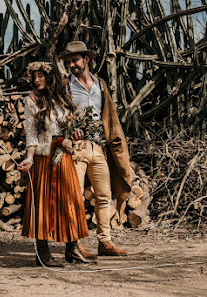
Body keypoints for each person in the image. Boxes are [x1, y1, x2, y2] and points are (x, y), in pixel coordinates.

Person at [17, 61, 96, 267]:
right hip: (44, 156)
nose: (36, 80)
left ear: (50, 76)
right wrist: (29, 157)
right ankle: (42, 253)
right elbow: (31, 133)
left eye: (40, 75)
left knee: (71, 199)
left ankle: (73, 249)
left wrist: (76, 134)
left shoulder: (62, 98)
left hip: (64, 152)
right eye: (34, 76)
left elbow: (71, 124)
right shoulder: (32, 100)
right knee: (43, 202)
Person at [60, 41, 133, 256]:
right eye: (69, 61)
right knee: (74, 196)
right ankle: (74, 244)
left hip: (98, 147)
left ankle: (105, 242)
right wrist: (69, 130)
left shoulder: (100, 85)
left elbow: (108, 116)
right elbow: (59, 114)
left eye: (75, 60)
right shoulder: (65, 86)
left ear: (86, 60)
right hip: (76, 148)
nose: (72, 64)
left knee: (104, 196)